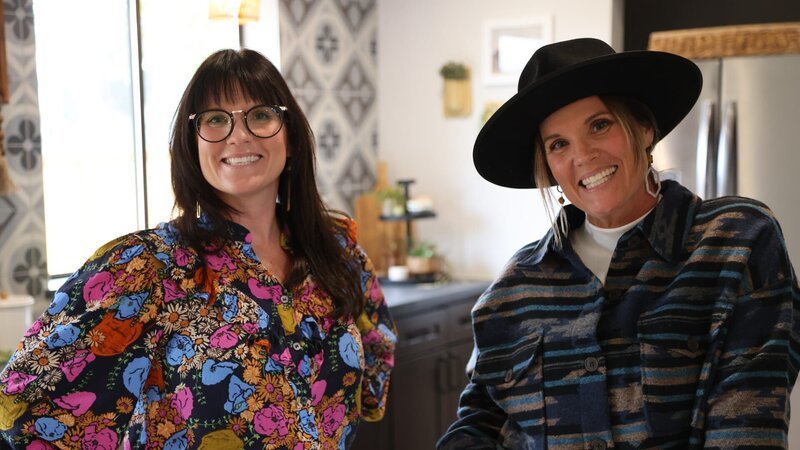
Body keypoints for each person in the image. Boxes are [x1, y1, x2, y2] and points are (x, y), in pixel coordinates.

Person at [0, 49, 396, 450]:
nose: (239, 134)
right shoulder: (148, 268)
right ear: (192, 147)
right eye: (216, 120)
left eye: (260, 114)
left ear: (290, 137)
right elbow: (24, 408)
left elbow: (376, 364)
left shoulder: (336, 249)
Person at [438, 38, 799, 449]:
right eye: (559, 144)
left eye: (599, 125)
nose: (583, 156)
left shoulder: (738, 241)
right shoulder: (514, 288)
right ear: (549, 165)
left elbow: (749, 427)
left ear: (644, 129)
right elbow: (480, 422)